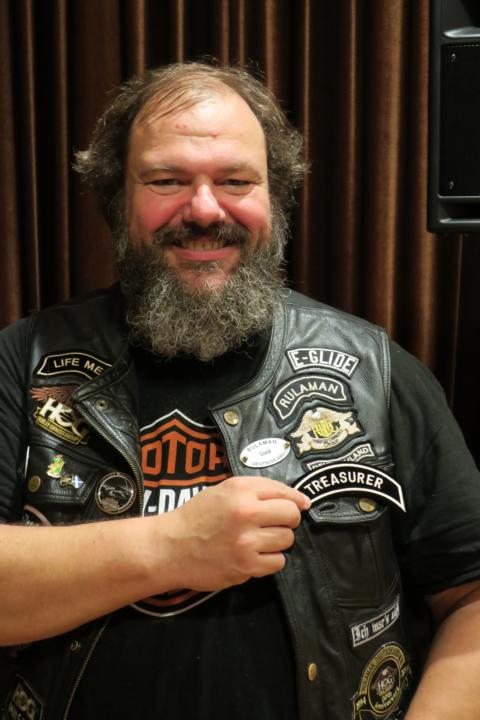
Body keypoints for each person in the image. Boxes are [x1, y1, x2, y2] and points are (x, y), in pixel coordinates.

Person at [0, 61, 480, 720]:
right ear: (117, 200)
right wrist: (171, 547)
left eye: (235, 181)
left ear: (274, 199)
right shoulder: (25, 361)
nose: (204, 209)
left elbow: (471, 596)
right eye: (166, 181)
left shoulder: (376, 371)